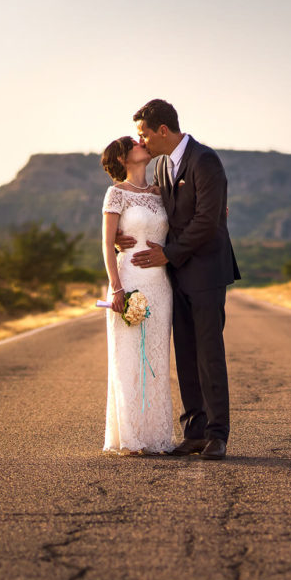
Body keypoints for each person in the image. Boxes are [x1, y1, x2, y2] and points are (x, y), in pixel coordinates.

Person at [118, 99, 240, 460]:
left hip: (205, 272)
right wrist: (118, 235)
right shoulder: (160, 169)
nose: (142, 142)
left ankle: (218, 434)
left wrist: (168, 253)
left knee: (208, 353)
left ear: (163, 131)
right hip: (176, 278)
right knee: (185, 353)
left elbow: (207, 221)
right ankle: (195, 432)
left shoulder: (205, 161)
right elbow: (152, 215)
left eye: (144, 134)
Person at [100, 135, 175, 455]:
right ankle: (130, 436)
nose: (142, 143)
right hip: (128, 279)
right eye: (134, 143)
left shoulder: (162, 193)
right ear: (122, 158)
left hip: (160, 285)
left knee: (157, 357)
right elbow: (106, 244)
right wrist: (117, 288)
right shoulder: (116, 194)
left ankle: (156, 436)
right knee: (129, 358)